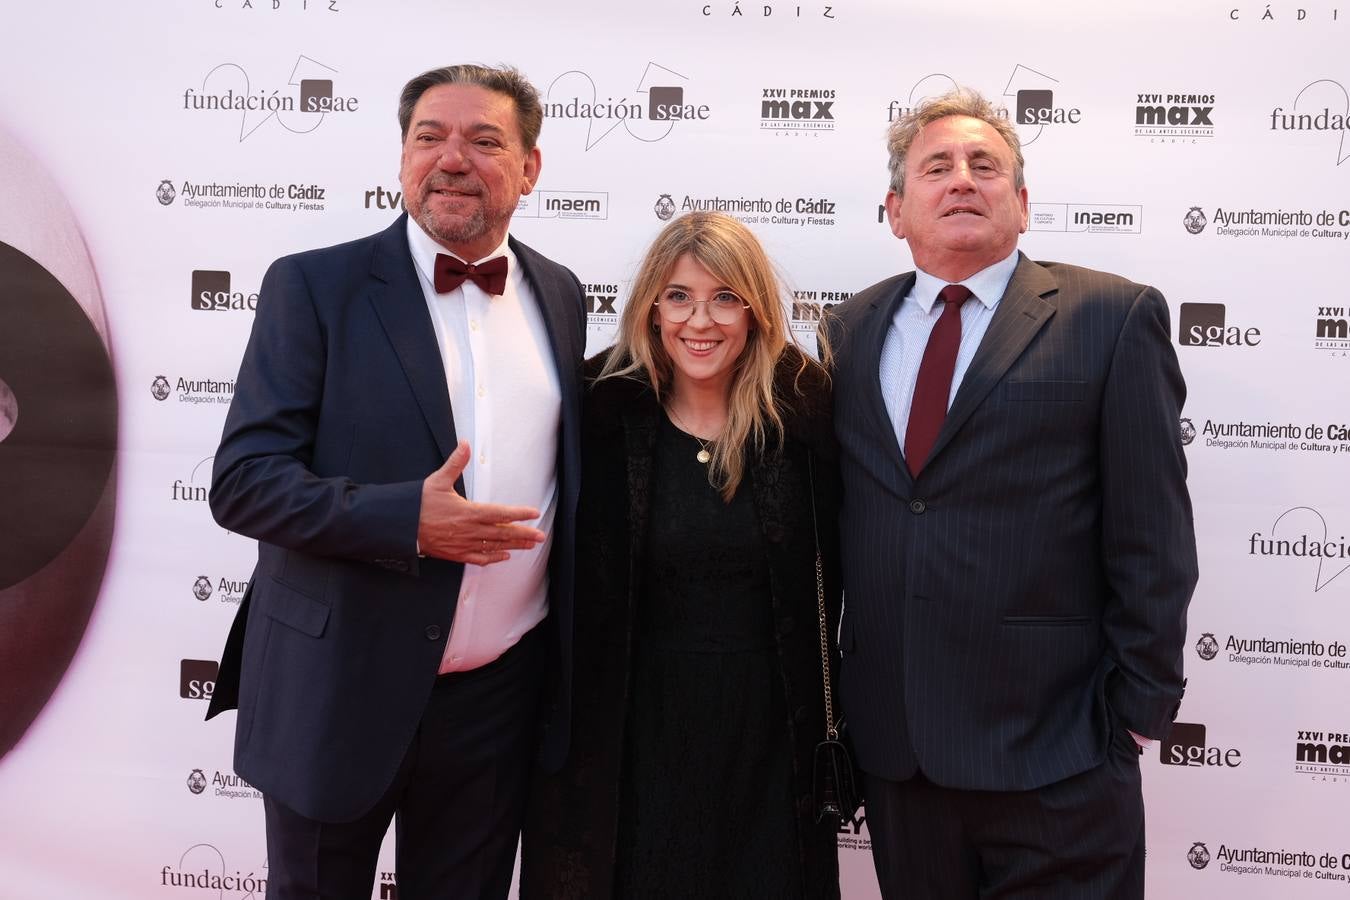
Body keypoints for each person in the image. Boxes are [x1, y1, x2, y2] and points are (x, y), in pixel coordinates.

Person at [204, 64, 586, 900]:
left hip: (496, 701)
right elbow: (242, 481)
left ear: (530, 168)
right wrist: (403, 521)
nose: (452, 159)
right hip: (337, 686)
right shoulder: (314, 286)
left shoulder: (559, 294)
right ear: (401, 157)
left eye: (485, 141)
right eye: (429, 137)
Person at [823, 87, 1198, 898]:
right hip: (900, 758)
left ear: (1021, 205)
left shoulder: (1111, 316)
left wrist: (1135, 713)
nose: (962, 178)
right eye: (937, 167)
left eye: (984, 165)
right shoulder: (846, 332)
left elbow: (1154, 536)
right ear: (895, 210)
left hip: (1058, 753)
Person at [520, 211, 842, 899]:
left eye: (725, 297)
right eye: (679, 296)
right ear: (652, 308)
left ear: (755, 310)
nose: (702, 320)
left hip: (771, 733)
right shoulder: (598, 409)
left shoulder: (807, 414)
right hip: (630, 731)